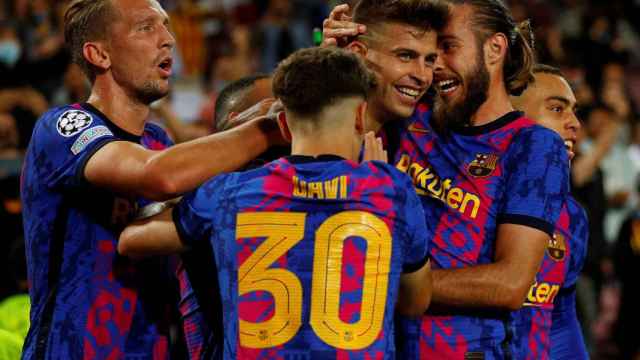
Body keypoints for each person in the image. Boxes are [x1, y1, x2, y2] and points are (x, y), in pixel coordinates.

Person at [118, 46, 434, 359]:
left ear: (281, 125)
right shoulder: (392, 189)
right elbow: (415, 301)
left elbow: (132, 241)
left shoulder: (227, 193)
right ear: (360, 116)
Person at [20, 0, 281, 358]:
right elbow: (156, 175)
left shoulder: (158, 142)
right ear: (99, 54)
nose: (168, 39)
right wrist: (269, 128)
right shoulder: (64, 126)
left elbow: (199, 190)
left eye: (166, 25)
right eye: (146, 28)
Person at [323, 1, 570, 358]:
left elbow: (510, 284)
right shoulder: (408, 113)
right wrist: (337, 62)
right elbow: (315, 126)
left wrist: (376, 280)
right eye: (428, 51)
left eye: (448, 47)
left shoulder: (533, 146)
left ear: (495, 49)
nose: (433, 66)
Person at [510, 64, 588, 359]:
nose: (575, 123)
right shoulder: (467, 198)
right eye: (557, 109)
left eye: (574, 110)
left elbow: (559, 321)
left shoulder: (573, 216)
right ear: (512, 118)